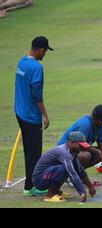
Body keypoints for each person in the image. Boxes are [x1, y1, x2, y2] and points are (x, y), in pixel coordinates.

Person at [15, 36, 53, 196]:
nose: (45, 54)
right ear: (40, 49)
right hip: (31, 116)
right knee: (34, 153)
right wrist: (44, 114)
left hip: (20, 112)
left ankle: (29, 184)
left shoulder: (22, 62)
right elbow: (36, 93)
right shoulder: (36, 67)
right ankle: (31, 186)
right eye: (45, 51)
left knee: (28, 151)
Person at [58, 105, 102, 183]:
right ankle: (71, 176)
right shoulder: (85, 124)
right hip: (64, 152)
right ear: (100, 119)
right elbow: (79, 145)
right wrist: (97, 151)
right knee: (86, 155)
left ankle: (78, 173)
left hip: (78, 150)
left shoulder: (99, 127)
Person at [32, 131, 96, 203]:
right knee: (64, 169)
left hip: (46, 176)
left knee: (67, 168)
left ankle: (56, 191)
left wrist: (90, 186)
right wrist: (82, 192)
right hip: (39, 180)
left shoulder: (73, 152)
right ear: (72, 142)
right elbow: (72, 174)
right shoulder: (64, 153)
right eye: (80, 145)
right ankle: (50, 195)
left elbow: (80, 170)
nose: (82, 148)